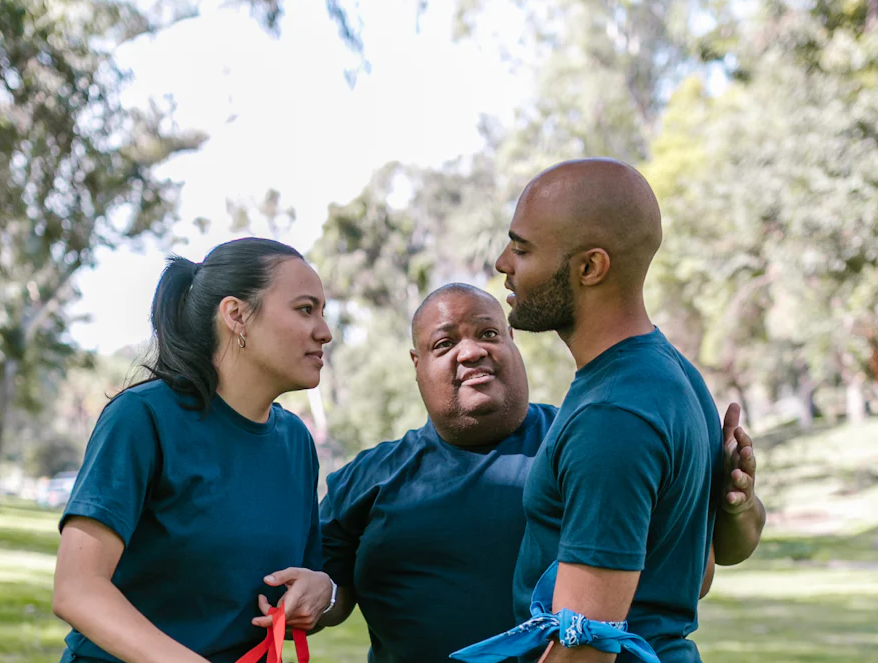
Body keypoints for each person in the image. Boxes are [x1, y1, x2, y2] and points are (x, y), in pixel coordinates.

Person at [310, 283, 762, 663]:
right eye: (444, 343)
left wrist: (734, 508)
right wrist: (320, 594)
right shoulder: (366, 479)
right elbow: (328, 594)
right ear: (416, 363)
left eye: (488, 333)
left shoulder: (593, 441)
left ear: (511, 340)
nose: (471, 351)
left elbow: (697, 575)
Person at [492, 158, 764, 663]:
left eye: (522, 248)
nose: (503, 262)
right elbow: (694, 577)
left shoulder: (613, 417)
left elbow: (585, 649)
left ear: (590, 267)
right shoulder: (673, 376)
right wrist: (736, 507)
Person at [52, 238, 336, 663]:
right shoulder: (141, 418)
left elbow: (309, 578)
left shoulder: (296, 442)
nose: (325, 332)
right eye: (304, 309)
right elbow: (78, 590)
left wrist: (322, 591)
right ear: (236, 316)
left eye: (322, 312)